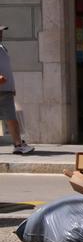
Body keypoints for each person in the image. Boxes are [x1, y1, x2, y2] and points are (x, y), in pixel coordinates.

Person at [0, 26, 34, 154]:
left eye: (2, 32)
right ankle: (18, 144)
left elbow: (6, 68)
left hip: (5, 90)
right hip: (2, 89)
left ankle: (18, 143)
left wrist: (12, 87)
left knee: (11, 119)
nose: (1, 34)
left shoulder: (2, 48)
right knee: (11, 119)